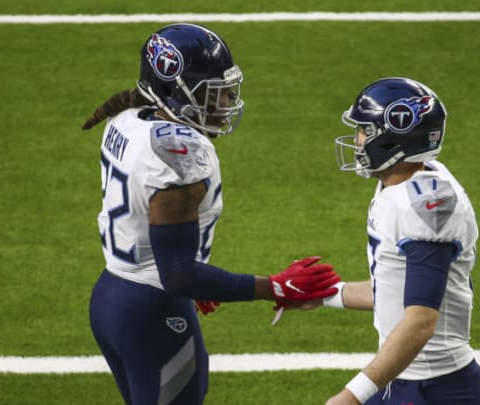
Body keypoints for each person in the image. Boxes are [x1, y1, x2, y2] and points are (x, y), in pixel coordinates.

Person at [81, 23, 340, 405]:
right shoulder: (180, 153)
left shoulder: (126, 119)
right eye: (212, 95)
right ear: (173, 89)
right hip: (152, 308)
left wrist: (195, 279)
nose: (224, 104)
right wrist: (275, 286)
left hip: (114, 295)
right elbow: (179, 273)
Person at [322, 77, 480, 404]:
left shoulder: (428, 206)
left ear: (392, 139)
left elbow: (421, 322)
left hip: (435, 389)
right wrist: (326, 295)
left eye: (364, 131)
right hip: (406, 379)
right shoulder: (403, 183)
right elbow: (394, 291)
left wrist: (351, 396)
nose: (357, 141)